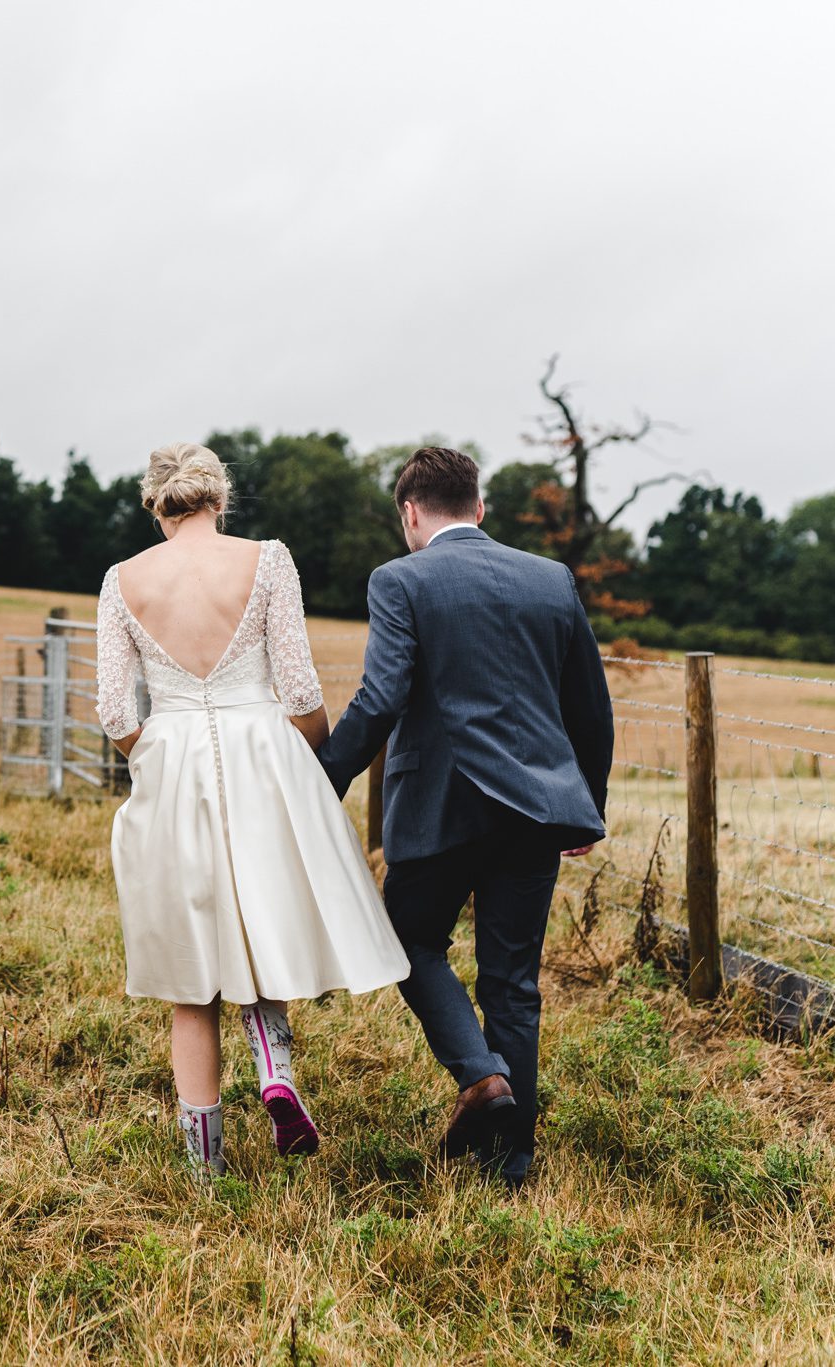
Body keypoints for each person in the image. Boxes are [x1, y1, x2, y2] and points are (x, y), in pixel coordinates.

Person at [97, 443, 409, 1176]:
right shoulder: (268, 559)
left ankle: (206, 1171)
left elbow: (114, 708)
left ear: (156, 505)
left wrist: (154, 756)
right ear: (220, 498)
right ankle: (274, 1070)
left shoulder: (121, 581)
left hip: (170, 760)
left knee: (189, 968)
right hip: (262, 755)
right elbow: (300, 689)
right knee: (260, 922)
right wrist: (311, 763)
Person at [317, 446, 613, 1187]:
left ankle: (481, 1078)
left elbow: (380, 699)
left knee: (405, 939)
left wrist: (321, 782)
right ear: (480, 509)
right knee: (512, 983)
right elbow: (590, 708)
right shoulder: (551, 579)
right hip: (538, 811)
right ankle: (511, 1162)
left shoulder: (399, 579)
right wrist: (586, 808)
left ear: (411, 513)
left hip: (439, 807)